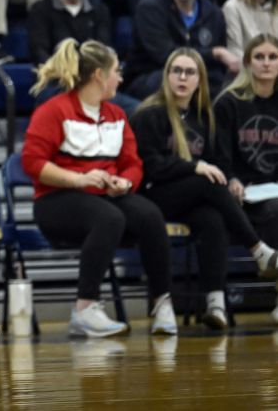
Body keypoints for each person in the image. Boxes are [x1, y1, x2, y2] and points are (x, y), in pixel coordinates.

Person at [23, 38, 178, 337]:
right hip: (56, 201)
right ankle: (84, 309)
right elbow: (33, 162)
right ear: (99, 75)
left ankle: (162, 302)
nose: (120, 77)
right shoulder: (54, 110)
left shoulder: (117, 115)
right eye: (117, 71)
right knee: (109, 217)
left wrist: (125, 182)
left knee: (149, 215)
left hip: (104, 198)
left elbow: (133, 163)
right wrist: (78, 179)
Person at [131, 48, 278, 329]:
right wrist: (194, 167)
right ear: (167, 76)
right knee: (206, 180)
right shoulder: (150, 113)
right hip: (153, 195)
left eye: (190, 72)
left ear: (200, 79)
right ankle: (258, 248)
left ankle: (216, 302)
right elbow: (152, 167)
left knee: (212, 218)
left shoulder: (203, 117)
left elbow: (215, 162)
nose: (182, 78)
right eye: (177, 71)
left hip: (191, 197)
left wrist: (220, 175)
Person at [214, 33, 278, 323]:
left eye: (273, 57)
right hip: (243, 192)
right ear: (248, 63)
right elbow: (219, 153)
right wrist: (231, 179)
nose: (266, 63)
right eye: (260, 57)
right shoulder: (229, 102)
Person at [125, 0, 236, 99]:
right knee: (172, 80)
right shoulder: (149, 8)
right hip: (153, 74)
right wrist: (214, 53)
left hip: (197, 75)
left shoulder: (213, 13)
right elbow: (164, 55)